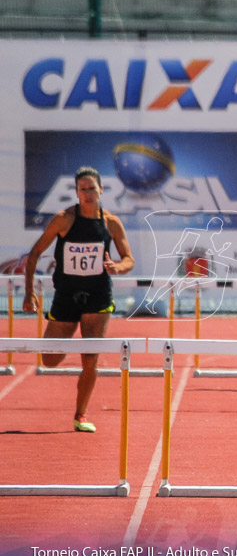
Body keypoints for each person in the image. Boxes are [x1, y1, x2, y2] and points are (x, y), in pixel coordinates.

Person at [23, 166, 134, 433]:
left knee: (90, 359)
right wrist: (29, 293)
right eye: (82, 189)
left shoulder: (111, 222)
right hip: (66, 295)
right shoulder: (64, 219)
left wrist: (118, 267)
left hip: (98, 296)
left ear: (101, 190)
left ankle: (80, 414)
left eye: (91, 188)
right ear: (76, 192)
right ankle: (65, 339)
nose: (87, 193)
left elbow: (128, 259)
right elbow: (35, 253)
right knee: (49, 360)